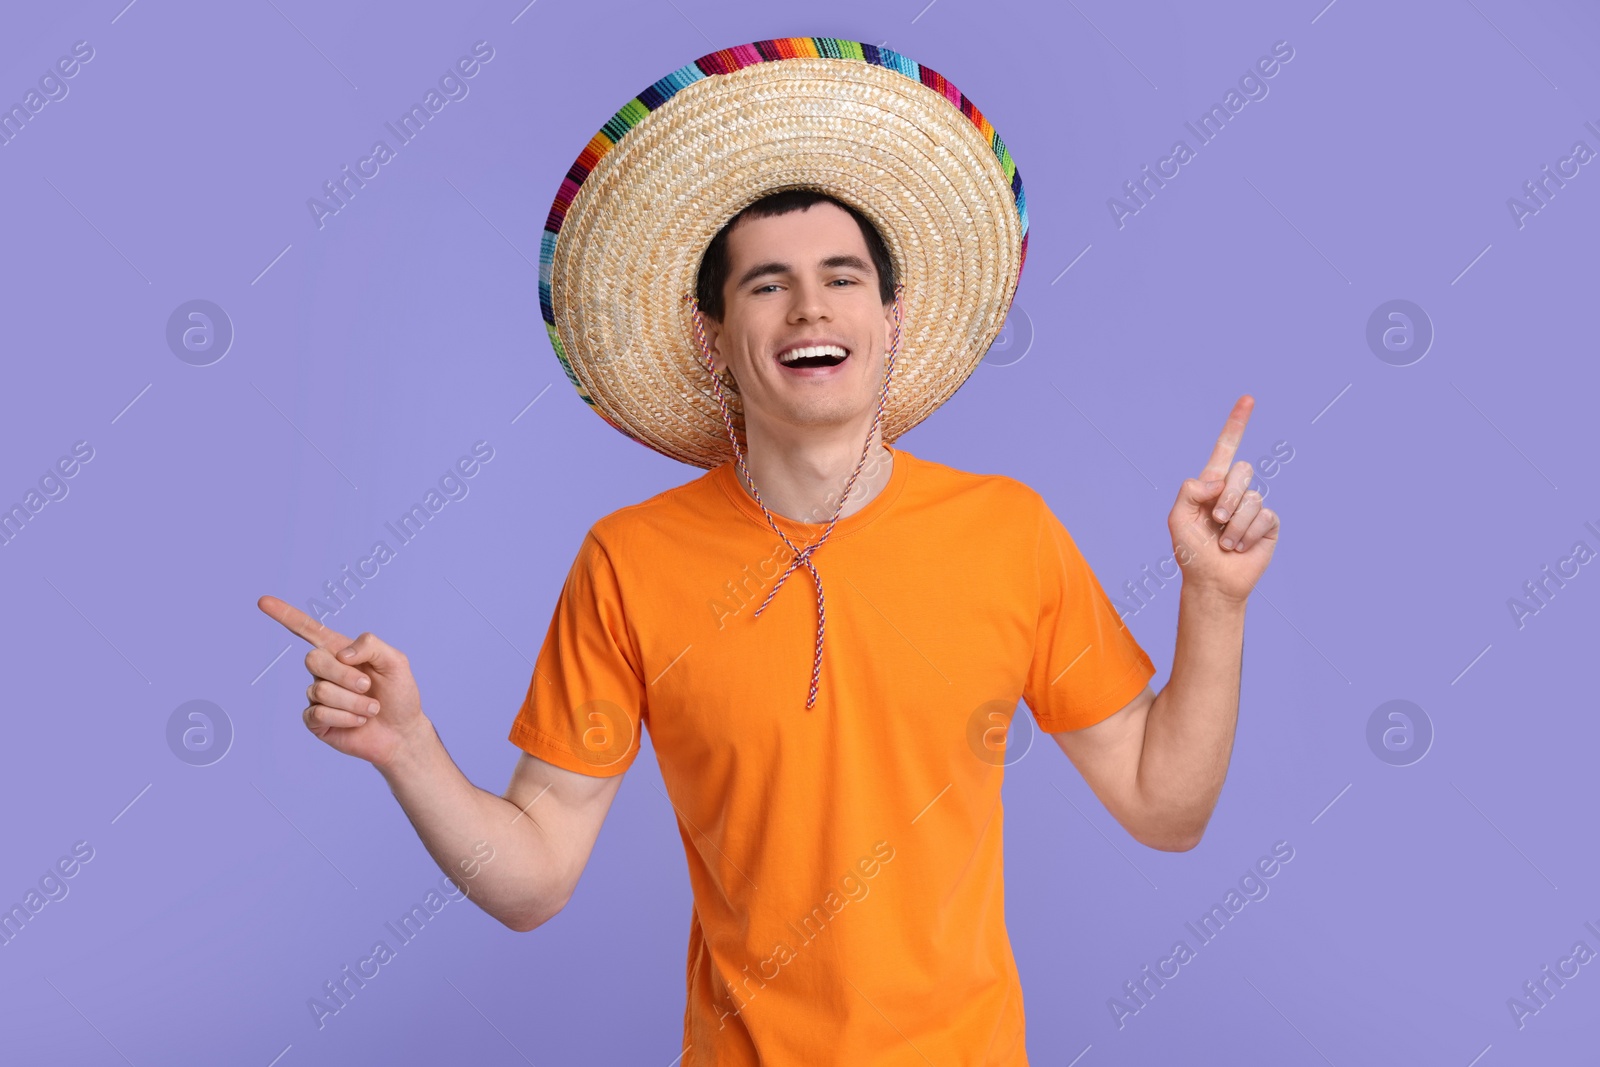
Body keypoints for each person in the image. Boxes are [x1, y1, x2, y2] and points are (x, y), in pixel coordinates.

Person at [257, 37, 1279, 1065]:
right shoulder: (628, 559)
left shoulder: (1007, 530)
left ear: (890, 317)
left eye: (842, 277)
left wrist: (1215, 601)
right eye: (766, 285)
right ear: (712, 337)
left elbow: (1165, 806)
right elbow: (536, 875)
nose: (810, 307)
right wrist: (409, 747)